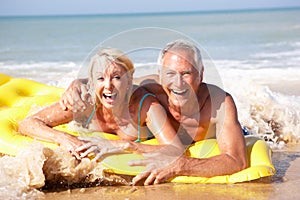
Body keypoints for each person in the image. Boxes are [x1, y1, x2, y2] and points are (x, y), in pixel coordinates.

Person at [60, 40, 247, 185]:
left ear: (201, 74)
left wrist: (180, 166)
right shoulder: (151, 86)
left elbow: (236, 160)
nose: (178, 83)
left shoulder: (219, 104)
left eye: (186, 73)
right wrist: (78, 84)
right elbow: (116, 81)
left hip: (222, 136)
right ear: (160, 73)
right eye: (170, 74)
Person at [18, 48, 183, 160]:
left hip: (144, 89)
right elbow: (28, 123)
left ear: (129, 80)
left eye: (117, 77)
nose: (108, 85)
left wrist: (126, 145)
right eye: (100, 78)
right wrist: (64, 138)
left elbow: (175, 149)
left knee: (151, 81)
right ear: (92, 82)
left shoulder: (145, 106)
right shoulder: (85, 102)